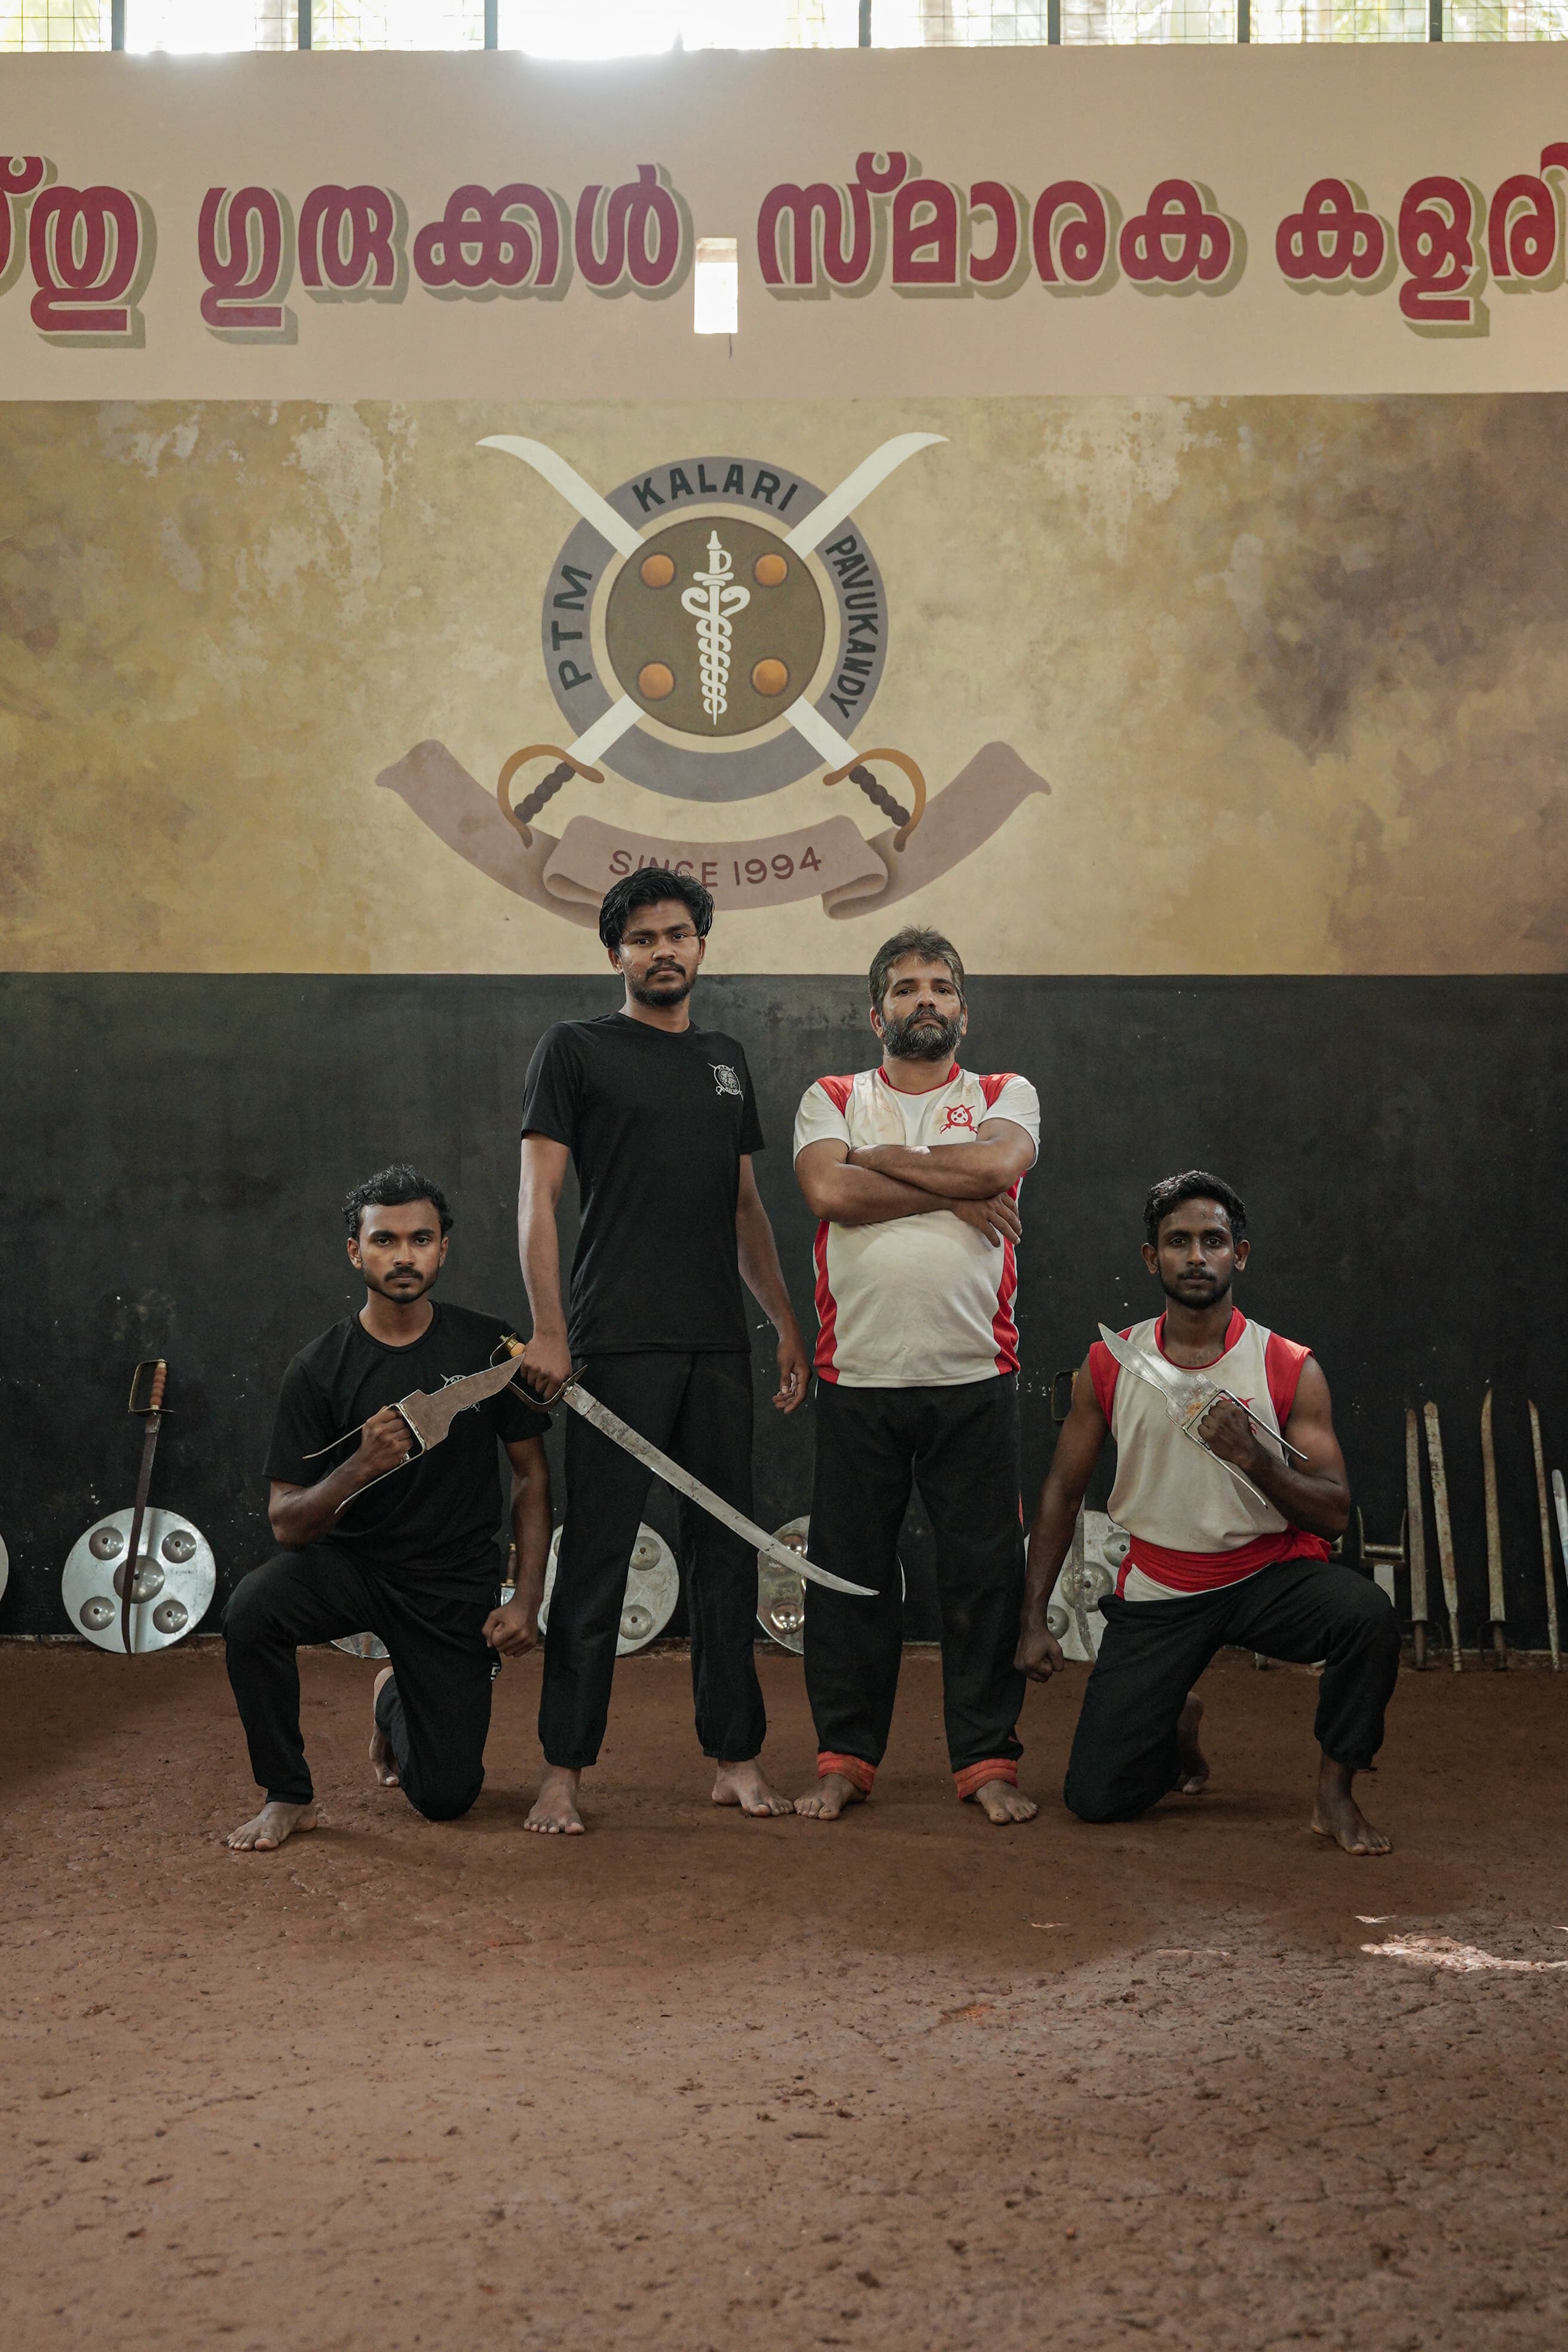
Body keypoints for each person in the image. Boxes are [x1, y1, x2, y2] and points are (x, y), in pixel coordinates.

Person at [512, 869, 808, 1835]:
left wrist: (782, 1320)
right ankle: (563, 1768)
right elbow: (536, 1203)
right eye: (642, 938)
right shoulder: (574, 1052)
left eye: (677, 934)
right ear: (615, 956)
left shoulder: (724, 1060)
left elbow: (744, 1208)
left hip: (715, 1343)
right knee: (595, 1559)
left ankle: (734, 1756)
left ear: (702, 946)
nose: (662, 950)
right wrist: (551, 1329)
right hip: (614, 1343)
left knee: (724, 1555)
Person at [1015, 1169, 1399, 1856]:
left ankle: (1334, 1796)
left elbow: (1334, 1515)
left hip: (1267, 1576)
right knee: (1096, 1801)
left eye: (1213, 1241)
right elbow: (1060, 1491)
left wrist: (1253, 1458)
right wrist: (1033, 1616)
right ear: (1150, 1257)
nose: (1196, 1256)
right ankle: (1176, 1723)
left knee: (1364, 1617)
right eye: (1178, 1241)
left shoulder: (1286, 1365)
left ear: (1238, 1255)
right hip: (1162, 1586)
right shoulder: (1108, 1362)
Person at [222, 1165, 552, 1853]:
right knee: (253, 1609)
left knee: (444, 1798)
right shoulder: (318, 1368)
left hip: (451, 1582)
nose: (403, 1255)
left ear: (443, 1249)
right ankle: (288, 1794)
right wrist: (359, 1465)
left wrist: (526, 1598)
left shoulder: (488, 1348)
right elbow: (287, 1525)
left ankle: (391, 1694)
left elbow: (529, 1478)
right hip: (353, 1565)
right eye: (385, 1240)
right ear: (355, 1250)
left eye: (420, 1239)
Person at [790, 926, 1041, 1824]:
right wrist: (950, 1187)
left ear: (963, 1013)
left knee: (982, 1581)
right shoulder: (832, 1096)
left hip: (976, 1373)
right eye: (906, 989)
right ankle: (844, 1758)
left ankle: (986, 1763)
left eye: (940, 987)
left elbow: (1001, 1163)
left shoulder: (1005, 1093)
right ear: (876, 1012)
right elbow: (828, 1195)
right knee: (850, 1578)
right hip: (856, 1379)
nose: (924, 1000)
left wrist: (880, 1160)